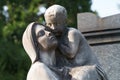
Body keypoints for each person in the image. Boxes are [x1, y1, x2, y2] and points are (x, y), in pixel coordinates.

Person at [44, 4, 108, 80]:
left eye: (57, 24)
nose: (53, 28)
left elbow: (70, 53)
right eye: (49, 24)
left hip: (91, 70)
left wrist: (56, 42)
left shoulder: (72, 33)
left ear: (65, 22)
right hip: (71, 71)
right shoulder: (53, 37)